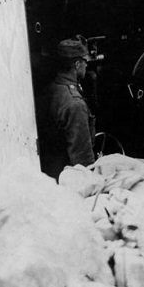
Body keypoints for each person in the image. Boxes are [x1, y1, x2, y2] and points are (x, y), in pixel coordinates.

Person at [36, 37, 96, 180]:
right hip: (68, 180)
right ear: (77, 64)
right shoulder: (75, 104)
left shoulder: (49, 89)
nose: (87, 65)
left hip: (50, 174)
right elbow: (83, 161)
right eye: (85, 61)